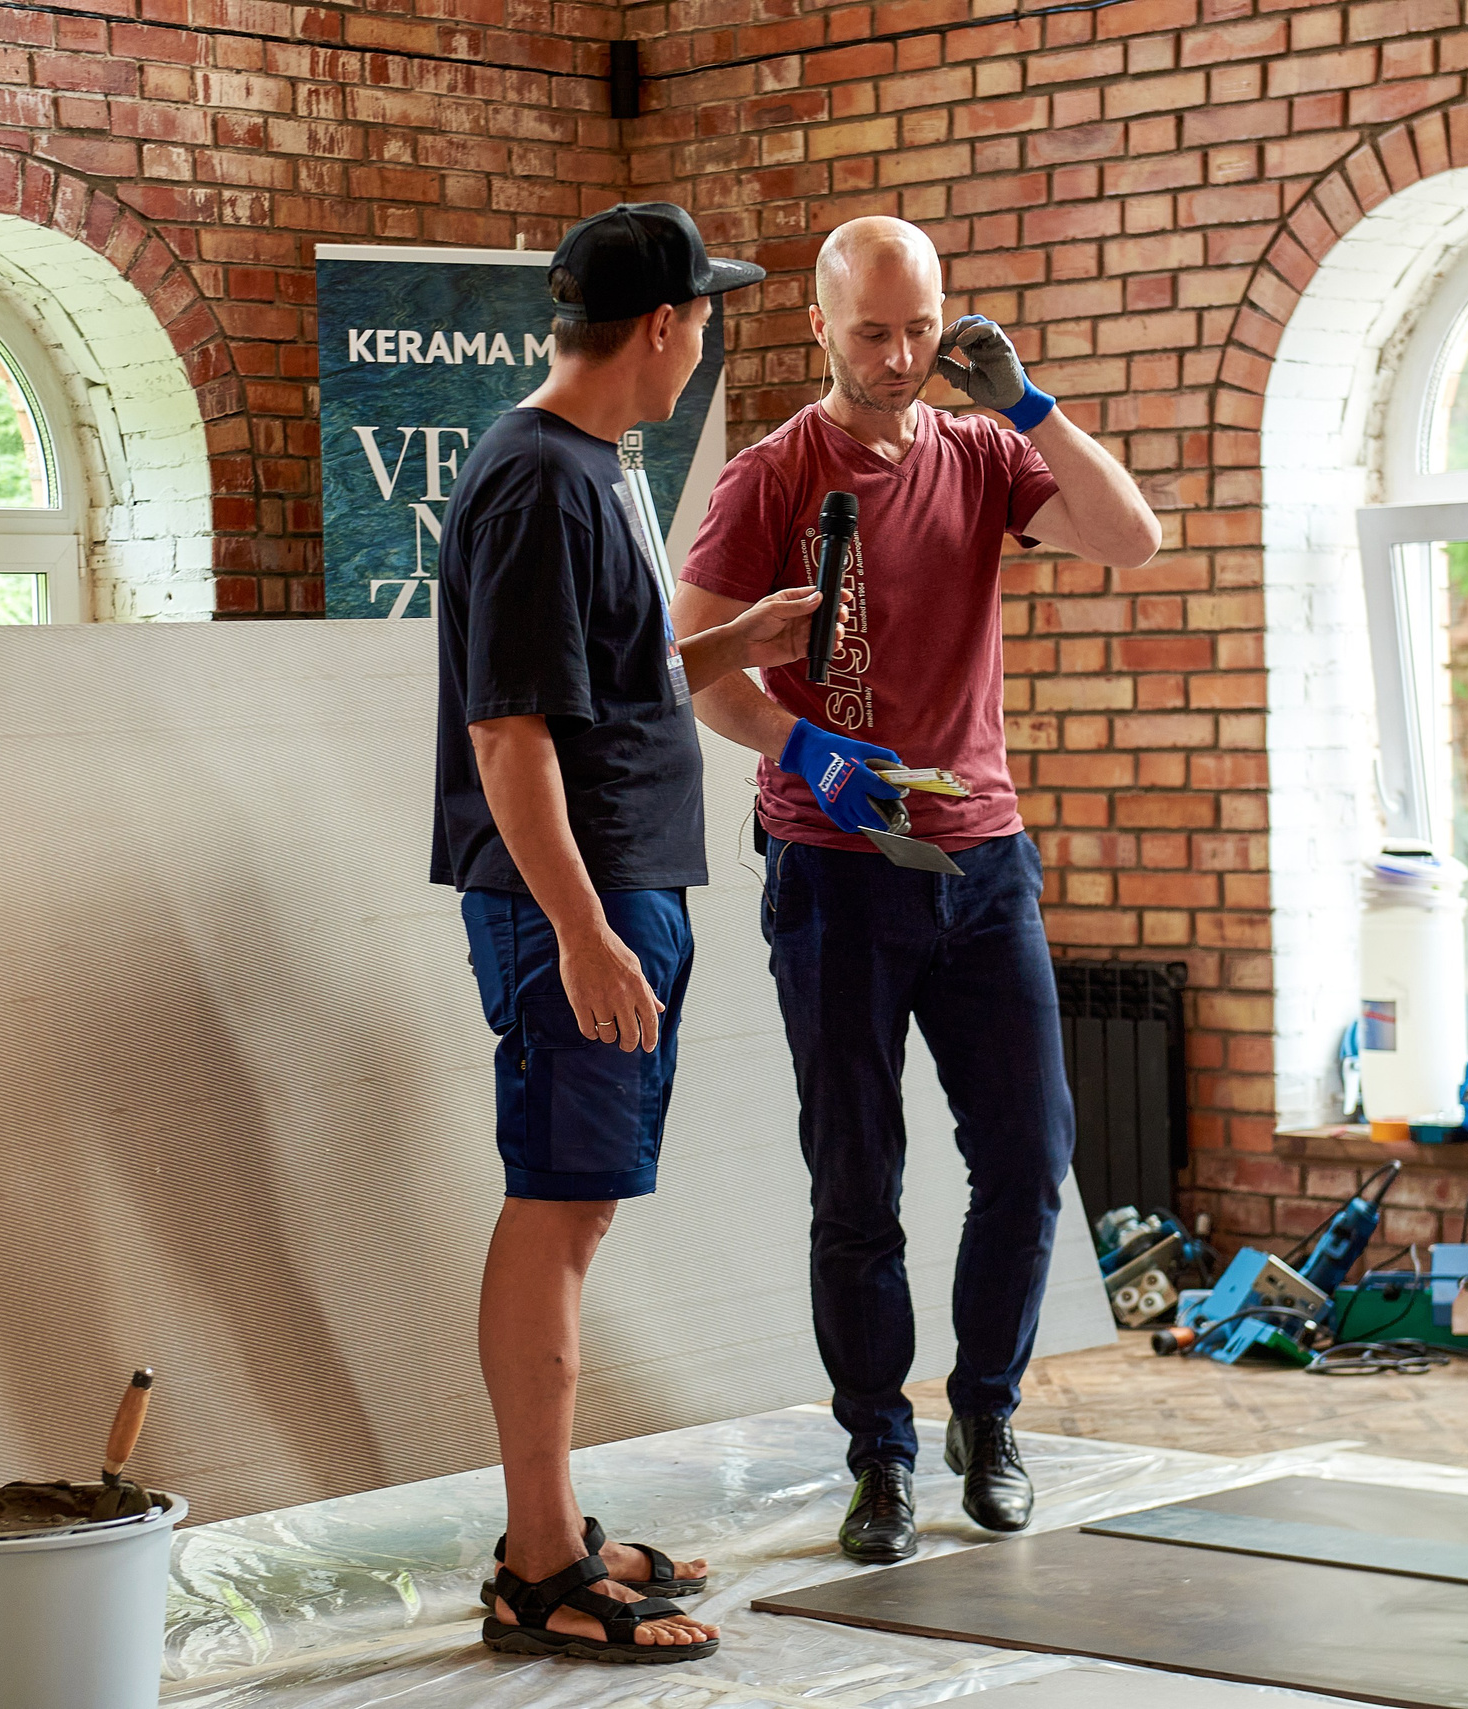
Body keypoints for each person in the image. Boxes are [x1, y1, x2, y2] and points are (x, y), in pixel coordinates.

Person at [673, 215, 1161, 1563]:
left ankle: (985, 1419)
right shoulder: (774, 475)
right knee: (859, 1179)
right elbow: (694, 663)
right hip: (835, 870)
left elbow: (1133, 539)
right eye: (872, 332)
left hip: (982, 858)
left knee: (1030, 1153)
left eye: (920, 329)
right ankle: (879, 1455)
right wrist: (798, 748)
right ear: (821, 330)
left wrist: (1035, 406)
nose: (899, 359)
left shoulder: (987, 452)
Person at [431, 203, 836, 1664]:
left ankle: (554, 1526)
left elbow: (611, 672)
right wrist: (585, 932)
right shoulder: (537, 480)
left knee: (581, 1201)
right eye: (705, 315)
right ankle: (537, 1565)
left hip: (622, 890)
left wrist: (741, 640)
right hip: (577, 905)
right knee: (554, 1203)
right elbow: (511, 733)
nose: (710, 337)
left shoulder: (598, 468)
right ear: (661, 325)